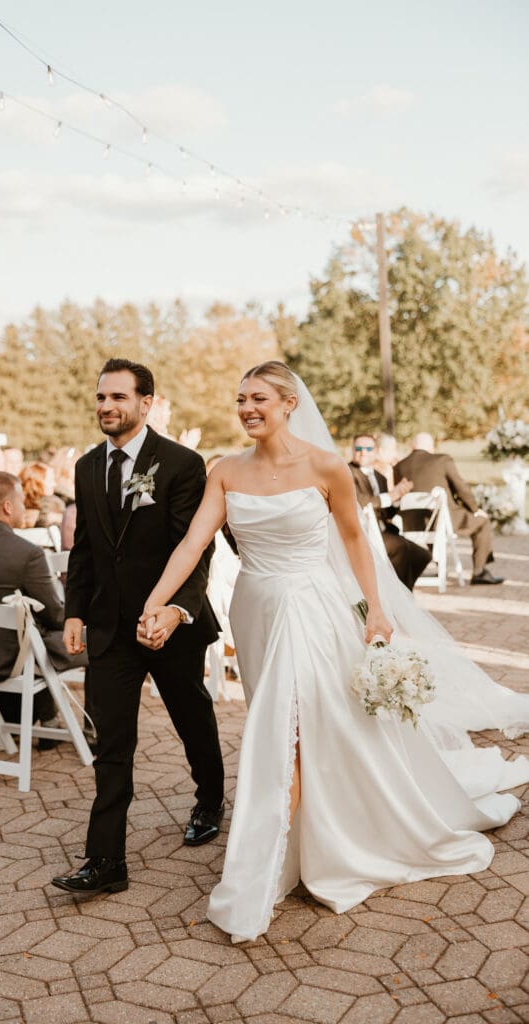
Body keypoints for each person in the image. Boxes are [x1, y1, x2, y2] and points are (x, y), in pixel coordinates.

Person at [140, 360, 529, 942]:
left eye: (259, 398)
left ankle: (274, 855)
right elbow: (193, 542)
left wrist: (375, 608)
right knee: (298, 722)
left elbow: (353, 539)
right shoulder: (225, 471)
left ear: (289, 402)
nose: (247, 408)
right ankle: (311, 831)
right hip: (258, 607)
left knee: (289, 723)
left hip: (313, 608)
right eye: (240, 399)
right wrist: (155, 602)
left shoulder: (326, 467)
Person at [51, 358, 224, 899]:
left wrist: (174, 612)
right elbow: (84, 549)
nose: (106, 406)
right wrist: (74, 611)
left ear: (146, 404)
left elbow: (195, 551)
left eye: (118, 398)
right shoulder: (85, 466)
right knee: (112, 743)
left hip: (169, 624)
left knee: (191, 715)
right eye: (101, 397)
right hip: (108, 629)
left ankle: (210, 799)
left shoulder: (181, 463)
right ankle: (105, 860)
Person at [0, 471, 86, 746]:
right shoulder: (26, 552)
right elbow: (55, 614)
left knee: (36, 633)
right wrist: (83, 616)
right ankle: (97, 733)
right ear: (8, 507)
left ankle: (47, 720)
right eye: (21, 500)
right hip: (17, 658)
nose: (25, 507)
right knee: (101, 642)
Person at [395, 433, 503, 585]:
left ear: (413, 446)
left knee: (430, 524)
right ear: (431, 447)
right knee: (483, 521)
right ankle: (479, 571)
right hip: (442, 519)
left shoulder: (400, 465)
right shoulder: (442, 460)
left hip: (410, 523)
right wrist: (475, 509)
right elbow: (461, 488)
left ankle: (441, 567)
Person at [348, 434, 431, 590]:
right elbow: (361, 502)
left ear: (376, 452)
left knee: (422, 555)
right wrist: (391, 495)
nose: (363, 452)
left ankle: (403, 592)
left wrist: (398, 498)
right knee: (401, 548)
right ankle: (397, 596)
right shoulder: (348, 473)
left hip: (384, 531)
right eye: (358, 448)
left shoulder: (380, 477)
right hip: (364, 534)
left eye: (368, 448)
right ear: (352, 450)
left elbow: (387, 514)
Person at [20, 462, 65, 529]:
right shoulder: (53, 504)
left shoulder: (17, 504)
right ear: (37, 482)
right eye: (50, 480)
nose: (54, 484)